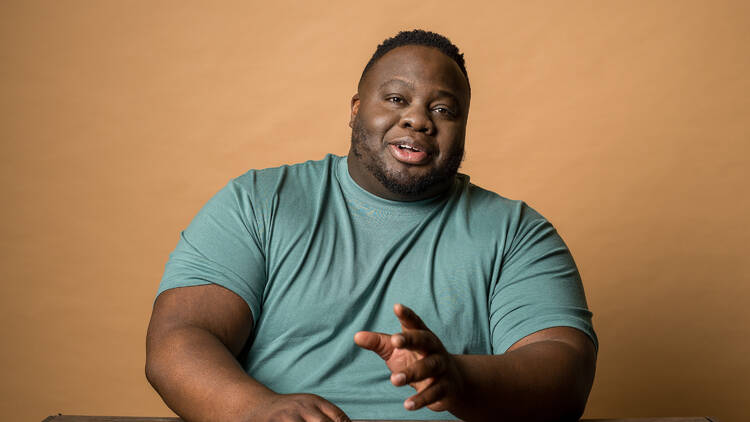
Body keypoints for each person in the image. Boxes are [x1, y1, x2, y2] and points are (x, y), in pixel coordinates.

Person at [146, 29, 597, 422]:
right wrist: (252, 409)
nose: (418, 119)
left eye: (443, 110)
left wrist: (459, 377)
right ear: (357, 108)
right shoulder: (260, 201)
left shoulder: (517, 233)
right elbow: (179, 338)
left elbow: (566, 371)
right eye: (397, 99)